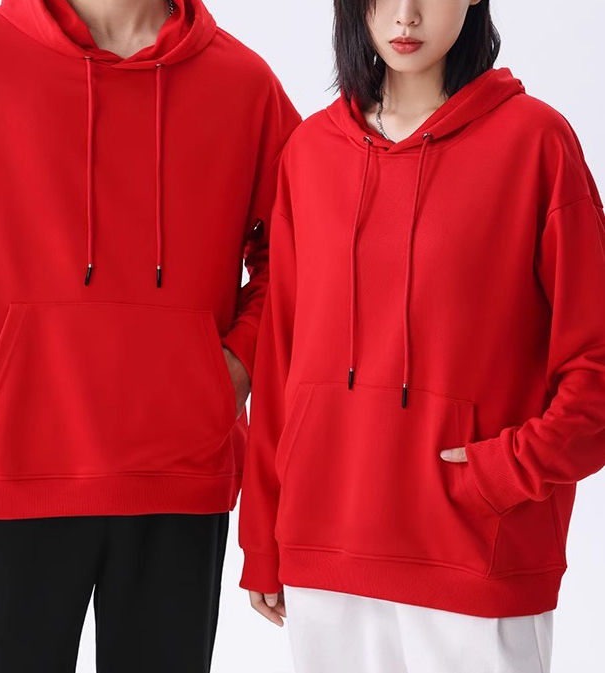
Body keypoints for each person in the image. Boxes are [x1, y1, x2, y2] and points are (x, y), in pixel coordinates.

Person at [0, 0, 300, 670]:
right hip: (13, 465)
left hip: (179, 472)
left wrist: (235, 367)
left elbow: (304, 253)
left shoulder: (244, 84)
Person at [238, 0, 605, 671]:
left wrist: (509, 471)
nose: (405, 15)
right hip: (326, 557)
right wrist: (262, 534)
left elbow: (596, 359)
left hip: (475, 556)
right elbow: (281, 358)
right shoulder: (310, 154)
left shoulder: (535, 143)